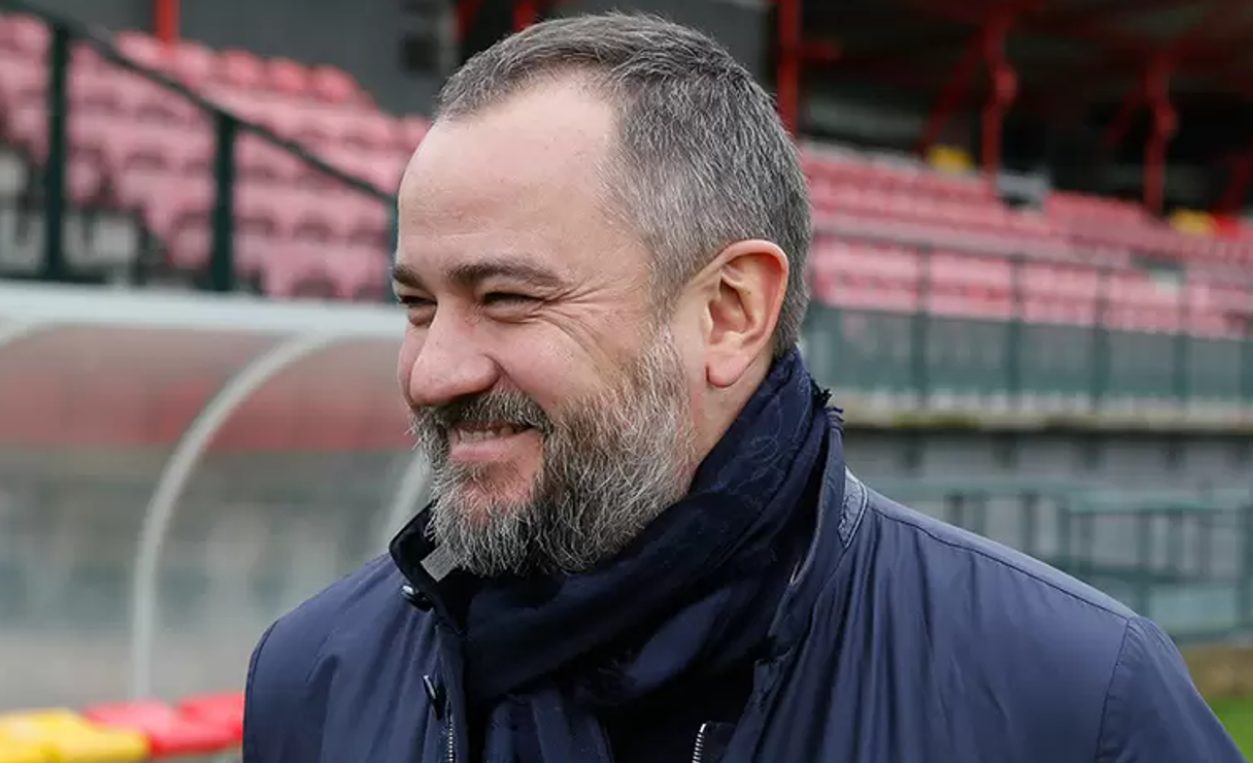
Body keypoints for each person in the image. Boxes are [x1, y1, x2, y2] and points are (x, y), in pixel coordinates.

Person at [241, 12, 1244, 763]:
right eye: (416, 305)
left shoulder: (1076, 703)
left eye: (505, 297)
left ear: (728, 311)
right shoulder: (313, 676)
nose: (430, 371)